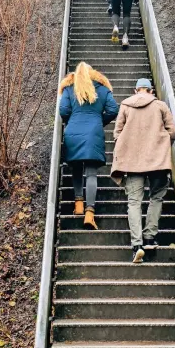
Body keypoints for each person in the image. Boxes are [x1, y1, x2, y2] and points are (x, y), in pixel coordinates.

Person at [111, 78, 175, 263]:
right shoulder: (160, 106)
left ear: (135, 90)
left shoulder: (125, 106)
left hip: (132, 163)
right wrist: (161, 144)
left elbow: (117, 133)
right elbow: (172, 131)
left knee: (134, 202)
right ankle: (150, 237)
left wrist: (126, 146)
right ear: (151, 90)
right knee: (156, 197)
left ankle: (136, 245)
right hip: (157, 161)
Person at [59, 62, 119, 230]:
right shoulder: (101, 88)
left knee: (76, 168)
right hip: (93, 133)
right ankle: (89, 213)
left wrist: (72, 121)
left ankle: (78, 204)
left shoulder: (70, 89)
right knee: (91, 173)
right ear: (93, 74)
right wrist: (100, 121)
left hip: (73, 132)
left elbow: (63, 111)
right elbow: (113, 109)